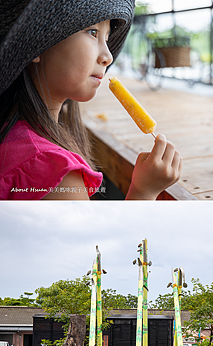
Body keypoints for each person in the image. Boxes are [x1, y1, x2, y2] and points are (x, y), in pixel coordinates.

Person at [0, 0, 182, 200]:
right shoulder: (53, 171)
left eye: (107, 37)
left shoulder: (14, 135)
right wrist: (144, 191)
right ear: (37, 44)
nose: (108, 56)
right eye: (93, 32)